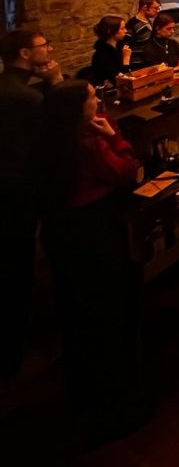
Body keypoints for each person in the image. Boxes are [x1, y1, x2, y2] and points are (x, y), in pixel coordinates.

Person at [39, 81, 144, 440]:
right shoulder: (89, 144)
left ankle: (81, 393)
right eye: (92, 97)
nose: (98, 100)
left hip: (60, 233)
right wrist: (115, 137)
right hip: (93, 233)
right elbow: (127, 172)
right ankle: (113, 407)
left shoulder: (48, 141)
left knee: (76, 314)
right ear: (78, 109)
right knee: (107, 314)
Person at [0, 29, 62, 380]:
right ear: (25, 53)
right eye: (43, 45)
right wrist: (55, 81)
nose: (49, 48)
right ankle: (15, 355)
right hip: (20, 192)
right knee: (19, 268)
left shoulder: (9, 87)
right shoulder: (26, 97)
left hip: (7, 189)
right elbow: (59, 133)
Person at [90, 15, 132, 85]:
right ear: (110, 31)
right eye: (122, 28)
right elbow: (120, 80)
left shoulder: (120, 47)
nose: (126, 31)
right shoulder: (101, 54)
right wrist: (126, 59)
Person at [125, 0, 161, 68]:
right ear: (145, 7)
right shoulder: (132, 24)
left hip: (150, 64)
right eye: (155, 8)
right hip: (138, 66)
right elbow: (126, 46)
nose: (157, 11)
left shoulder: (149, 21)